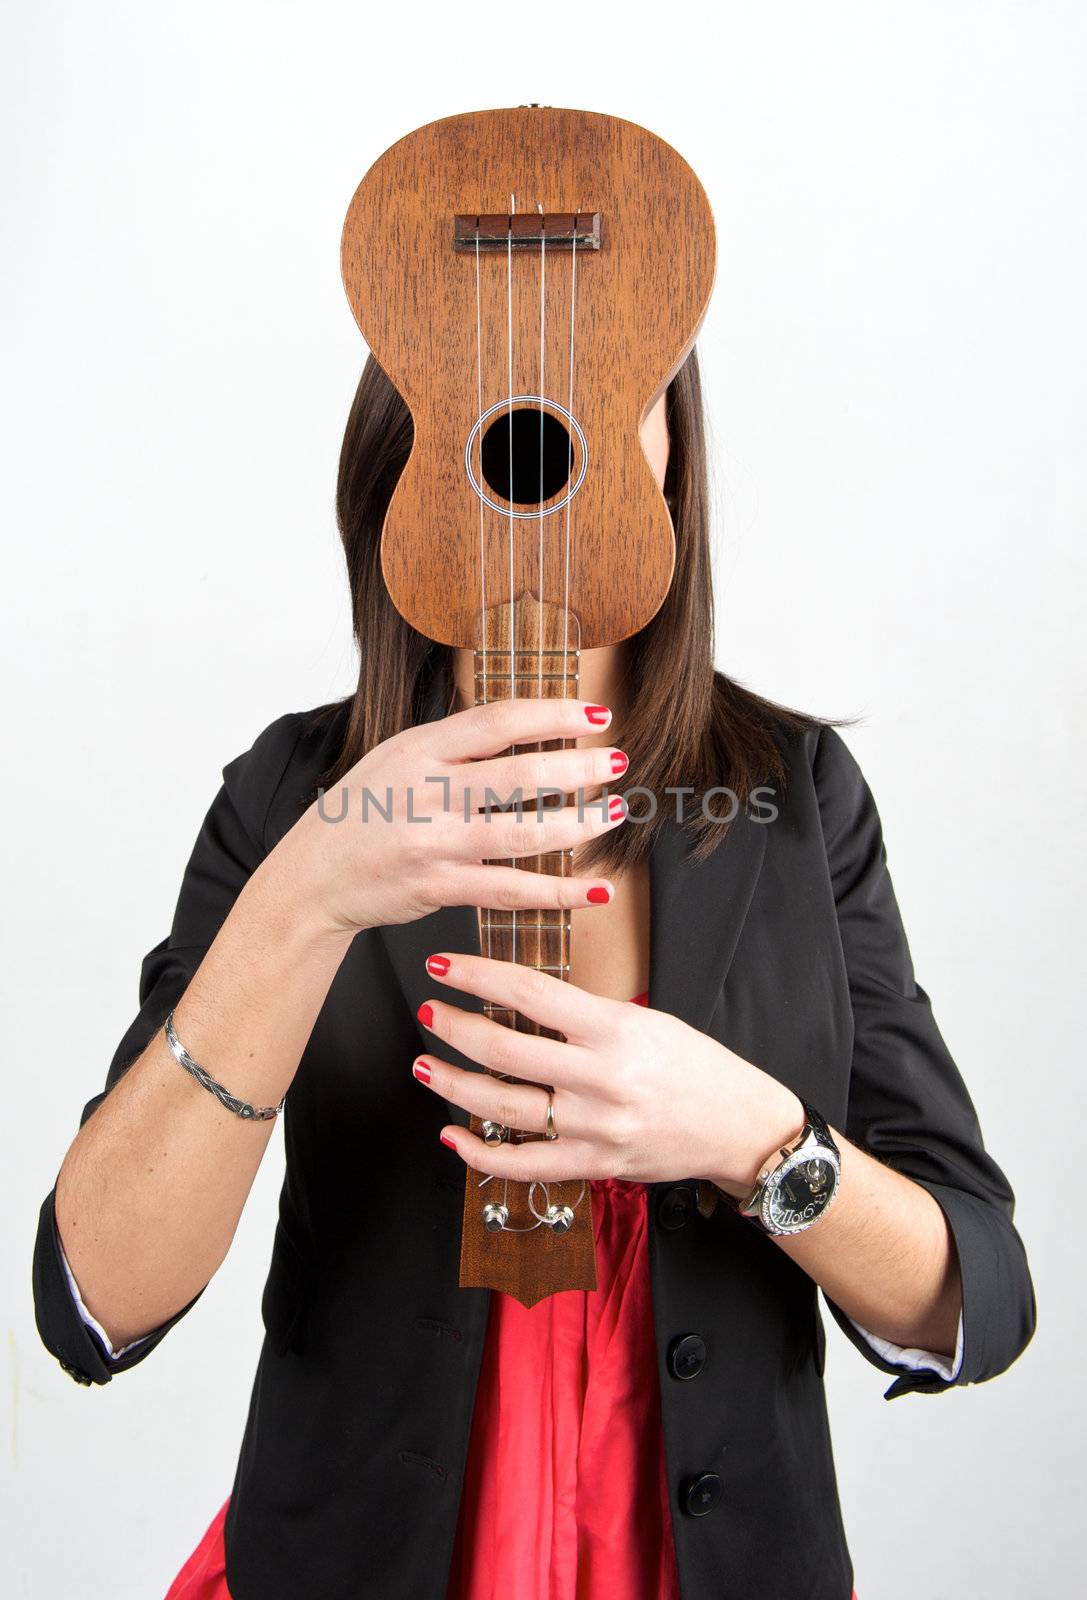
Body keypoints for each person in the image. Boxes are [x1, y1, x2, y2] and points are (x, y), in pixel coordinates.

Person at [32, 349, 1035, 1600]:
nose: (558, 428)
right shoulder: (294, 799)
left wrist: (757, 1141)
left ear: (678, 452)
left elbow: (974, 1301)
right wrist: (306, 892)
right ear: (403, 452)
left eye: (620, 378)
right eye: (497, 381)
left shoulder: (797, 796)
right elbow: (94, 1302)